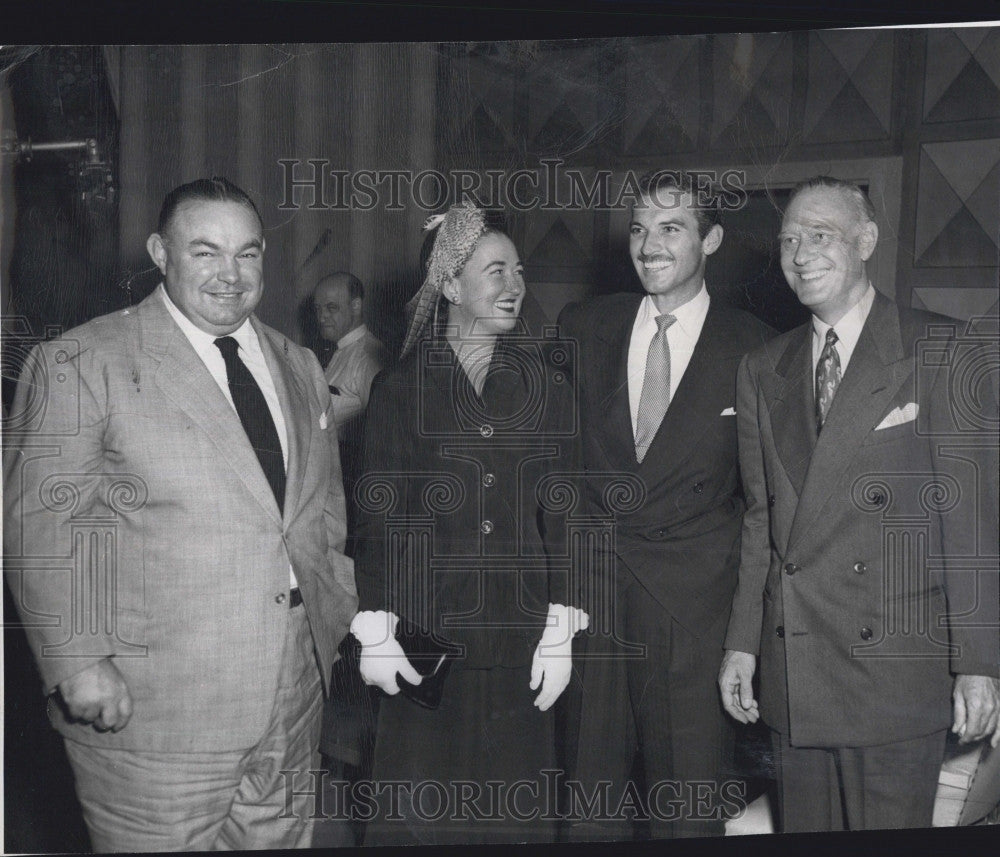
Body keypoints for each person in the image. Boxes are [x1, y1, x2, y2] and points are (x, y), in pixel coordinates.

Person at [2, 177, 358, 851]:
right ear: (160, 252)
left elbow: (322, 515)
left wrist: (332, 630)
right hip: (153, 711)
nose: (231, 274)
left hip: (292, 699)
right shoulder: (80, 361)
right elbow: (37, 527)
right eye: (206, 251)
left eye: (248, 253)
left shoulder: (301, 363)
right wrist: (77, 661)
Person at [719, 175, 1000, 831]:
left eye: (820, 235)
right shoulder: (763, 367)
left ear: (867, 240)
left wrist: (980, 664)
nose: (800, 253)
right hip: (798, 668)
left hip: (897, 670)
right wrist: (741, 644)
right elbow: (762, 523)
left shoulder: (942, 348)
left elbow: (972, 524)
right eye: (789, 239)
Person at [349, 202, 588, 845]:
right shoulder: (399, 392)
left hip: (520, 646)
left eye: (518, 270)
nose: (514, 286)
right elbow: (379, 524)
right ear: (451, 285)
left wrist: (563, 621)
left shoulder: (547, 389)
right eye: (495, 271)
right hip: (425, 646)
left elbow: (566, 516)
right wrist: (373, 625)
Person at [558, 170, 774, 839]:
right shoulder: (583, 326)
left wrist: (745, 638)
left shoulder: (757, 348)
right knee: (589, 810)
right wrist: (563, 602)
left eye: (671, 228)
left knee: (686, 814)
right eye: (640, 228)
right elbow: (555, 475)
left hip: (695, 620)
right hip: (596, 614)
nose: (649, 244)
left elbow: (768, 505)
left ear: (710, 238)